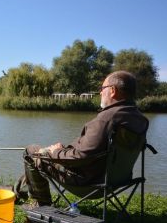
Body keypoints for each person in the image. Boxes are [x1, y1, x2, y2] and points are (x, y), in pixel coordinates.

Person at [14, 70, 149, 207]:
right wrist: (63, 150)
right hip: (118, 180)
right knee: (43, 154)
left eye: (102, 89)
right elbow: (95, 149)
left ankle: (41, 203)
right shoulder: (139, 119)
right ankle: (16, 192)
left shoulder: (107, 119)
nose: (101, 92)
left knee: (31, 152)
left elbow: (80, 156)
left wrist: (55, 152)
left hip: (88, 184)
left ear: (113, 90)